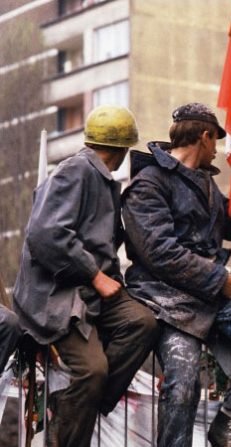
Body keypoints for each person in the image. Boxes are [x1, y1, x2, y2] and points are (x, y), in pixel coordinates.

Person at [121, 103, 231, 447]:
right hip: (165, 300)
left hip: (207, 295)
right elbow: (160, 253)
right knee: (183, 384)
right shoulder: (148, 183)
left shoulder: (206, 185)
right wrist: (219, 280)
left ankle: (229, 419)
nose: (218, 149)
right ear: (205, 136)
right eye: (216, 141)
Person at [12, 105, 159, 447]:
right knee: (93, 372)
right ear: (122, 149)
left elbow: (104, 244)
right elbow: (46, 234)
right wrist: (94, 275)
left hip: (91, 289)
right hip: (57, 294)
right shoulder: (75, 172)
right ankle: (67, 434)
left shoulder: (104, 181)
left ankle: (78, 404)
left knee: (142, 323)